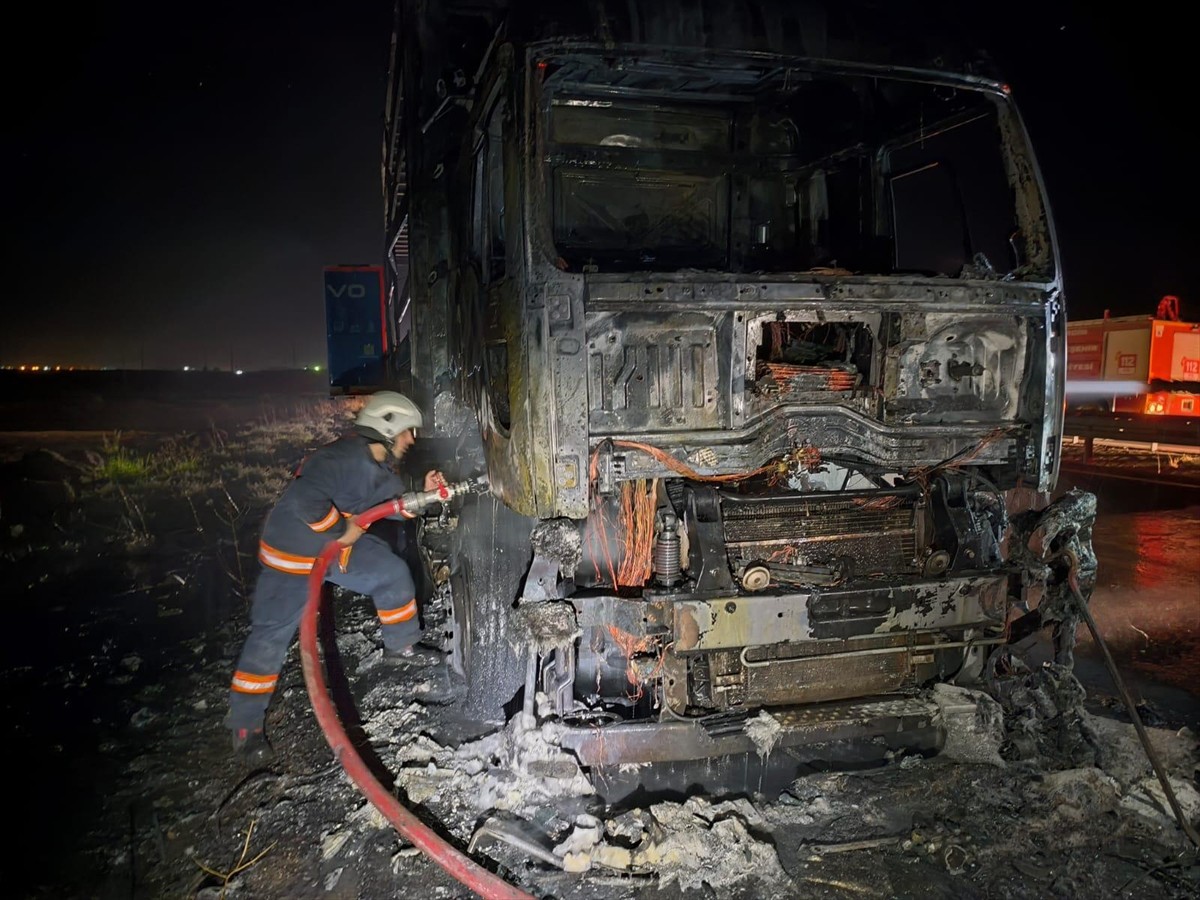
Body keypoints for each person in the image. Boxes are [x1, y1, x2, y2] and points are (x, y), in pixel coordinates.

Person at [227, 391, 447, 763]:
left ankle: (401, 646)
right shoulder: (341, 458)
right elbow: (304, 499)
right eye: (408, 432)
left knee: (390, 572)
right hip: (292, 554)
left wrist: (424, 495)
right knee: (269, 638)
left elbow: (388, 508)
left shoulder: (377, 467)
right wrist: (340, 530)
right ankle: (246, 727)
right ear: (387, 428)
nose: (412, 440)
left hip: (332, 551)